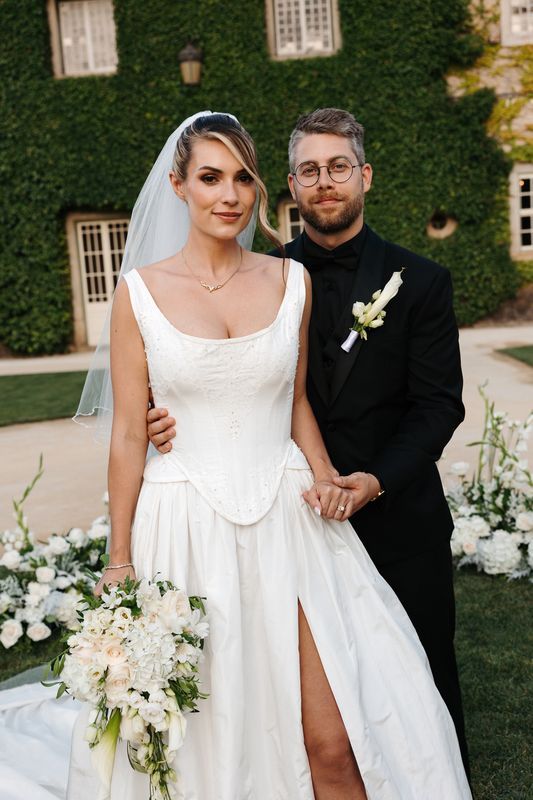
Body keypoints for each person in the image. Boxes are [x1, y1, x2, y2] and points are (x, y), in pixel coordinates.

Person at [62, 111, 472, 800]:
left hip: (312, 518)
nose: (228, 194)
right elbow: (133, 429)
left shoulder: (323, 280)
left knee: (359, 723)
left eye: (240, 179)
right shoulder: (144, 291)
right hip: (190, 522)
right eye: (210, 178)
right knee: (215, 724)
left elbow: (308, 403)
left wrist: (337, 478)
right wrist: (122, 555)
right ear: (179, 186)